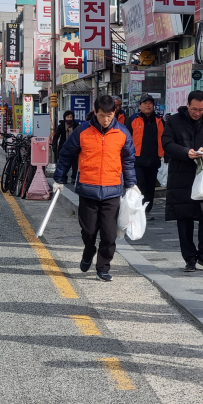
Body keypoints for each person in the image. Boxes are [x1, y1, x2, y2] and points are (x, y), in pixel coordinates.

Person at [53, 94, 137, 282]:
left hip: (112, 190)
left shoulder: (122, 132)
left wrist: (131, 185)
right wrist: (59, 178)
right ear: (95, 112)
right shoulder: (82, 131)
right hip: (88, 189)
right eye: (101, 115)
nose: (106, 120)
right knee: (89, 231)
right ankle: (88, 251)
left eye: (109, 116)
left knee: (109, 233)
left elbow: (129, 160)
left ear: (114, 112)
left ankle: (103, 267)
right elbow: (66, 154)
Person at [162, 90, 203, 273]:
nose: (197, 113)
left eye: (201, 109)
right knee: (184, 220)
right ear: (188, 105)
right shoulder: (174, 121)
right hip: (181, 175)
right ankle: (189, 258)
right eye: (194, 109)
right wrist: (185, 152)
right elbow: (167, 144)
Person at [126, 94, 163, 220]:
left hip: (153, 159)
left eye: (150, 103)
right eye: (145, 103)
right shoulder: (132, 119)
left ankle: (147, 210)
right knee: (140, 184)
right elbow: (126, 139)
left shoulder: (159, 120)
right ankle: (138, 209)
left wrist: (164, 156)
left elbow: (164, 139)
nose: (148, 105)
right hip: (137, 159)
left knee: (150, 186)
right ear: (140, 106)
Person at [51, 110, 78, 183]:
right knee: (63, 163)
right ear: (64, 117)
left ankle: (74, 177)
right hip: (63, 147)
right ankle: (63, 178)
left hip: (74, 148)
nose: (69, 118)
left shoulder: (76, 126)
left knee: (75, 164)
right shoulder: (61, 126)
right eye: (67, 117)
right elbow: (56, 136)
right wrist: (54, 144)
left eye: (71, 117)